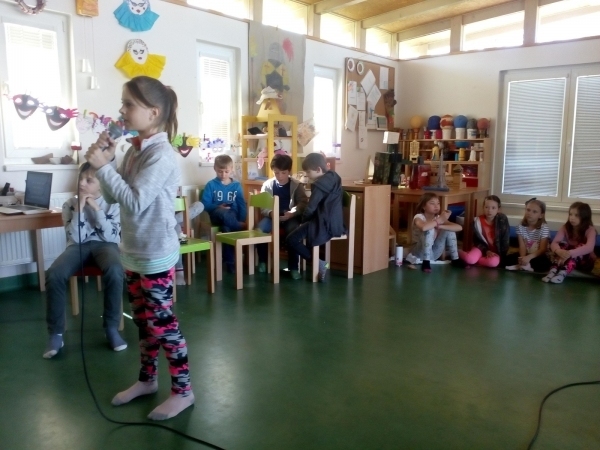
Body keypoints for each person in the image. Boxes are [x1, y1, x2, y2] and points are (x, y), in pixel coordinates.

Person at [85, 76, 193, 421]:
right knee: (144, 324)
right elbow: (115, 196)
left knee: (164, 326)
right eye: (123, 103)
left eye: (129, 104)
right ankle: (147, 380)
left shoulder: (161, 155)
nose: (121, 110)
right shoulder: (135, 150)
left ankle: (183, 391)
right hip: (133, 251)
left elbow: (135, 201)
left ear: (154, 112)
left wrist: (104, 167)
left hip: (155, 254)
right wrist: (108, 162)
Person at [43, 163, 125, 359]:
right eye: (81, 178)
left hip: (106, 246)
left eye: (89, 180)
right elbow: (77, 238)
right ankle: (56, 334)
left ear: (102, 184)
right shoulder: (69, 205)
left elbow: (112, 237)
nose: (82, 183)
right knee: (54, 274)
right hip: (77, 246)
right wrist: (79, 209)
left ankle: (111, 328)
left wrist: (97, 209)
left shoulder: (114, 204)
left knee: (115, 270)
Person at [286, 153, 345, 281]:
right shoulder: (334, 177)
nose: (307, 175)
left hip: (323, 223)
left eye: (308, 172)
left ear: (318, 169)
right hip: (336, 222)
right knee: (298, 236)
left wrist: (303, 222)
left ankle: (318, 262)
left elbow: (310, 208)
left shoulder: (319, 186)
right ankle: (318, 262)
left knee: (291, 239)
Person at [257, 154, 308, 277]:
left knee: (293, 233)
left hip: (290, 217)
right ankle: (263, 261)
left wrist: (293, 213)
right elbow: (263, 205)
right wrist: (270, 213)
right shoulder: (268, 185)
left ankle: (293, 267)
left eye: (283, 173)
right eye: (276, 173)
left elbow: (303, 203)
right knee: (260, 231)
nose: (280, 176)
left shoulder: (296, 185)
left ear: (289, 171)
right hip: (271, 216)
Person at [201, 154, 246, 273]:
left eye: (226, 172)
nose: (223, 174)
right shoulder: (211, 185)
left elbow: (241, 203)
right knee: (224, 213)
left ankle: (229, 262)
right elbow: (205, 204)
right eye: (220, 171)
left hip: (233, 214)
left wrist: (242, 219)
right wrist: (217, 206)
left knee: (226, 229)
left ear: (231, 170)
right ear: (215, 169)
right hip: (216, 214)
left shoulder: (236, 186)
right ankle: (238, 226)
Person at [406, 192, 465, 273]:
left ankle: (455, 259)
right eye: (432, 203)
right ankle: (426, 262)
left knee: (449, 229)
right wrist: (439, 221)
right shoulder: (419, 217)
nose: (436, 206)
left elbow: (459, 227)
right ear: (423, 206)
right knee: (429, 229)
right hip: (418, 253)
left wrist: (440, 226)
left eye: (438, 203)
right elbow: (424, 227)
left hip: (434, 253)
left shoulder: (437, 217)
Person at [542, 202, 597, 284]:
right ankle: (553, 271)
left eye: (576, 215)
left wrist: (569, 253)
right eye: (570, 214)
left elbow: (589, 248)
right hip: (566, 259)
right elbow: (554, 243)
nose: (572, 218)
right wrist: (559, 251)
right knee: (561, 245)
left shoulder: (590, 230)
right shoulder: (565, 227)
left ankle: (562, 273)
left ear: (584, 217)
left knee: (580, 246)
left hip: (584, 262)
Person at [458, 195, 510, 268]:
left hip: (494, 252)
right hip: (481, 249)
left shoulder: (502, 219)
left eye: (493, 208)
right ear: (483, 208)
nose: (489, 210)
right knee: (470, 259)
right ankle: (457, 251)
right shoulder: (476, 222)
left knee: (494, 262)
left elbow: (505, 240)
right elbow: (476, 241)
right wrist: (486, 251)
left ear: (498, 209)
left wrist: (501, 256)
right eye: (486, 207)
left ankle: (477, 261)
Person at [505, 198, 551, 272]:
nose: (529, 213)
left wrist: (529, 257)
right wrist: (523, 258)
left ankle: (524, 267)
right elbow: (522, 246)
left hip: (537, 255)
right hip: (525, 254)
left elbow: (542, 249)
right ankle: (523, 266)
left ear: (541, 215)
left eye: (534, 212)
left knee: (544, 264)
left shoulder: (544, 228)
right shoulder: (520, 227)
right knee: (505, 259)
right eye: (528, 210)